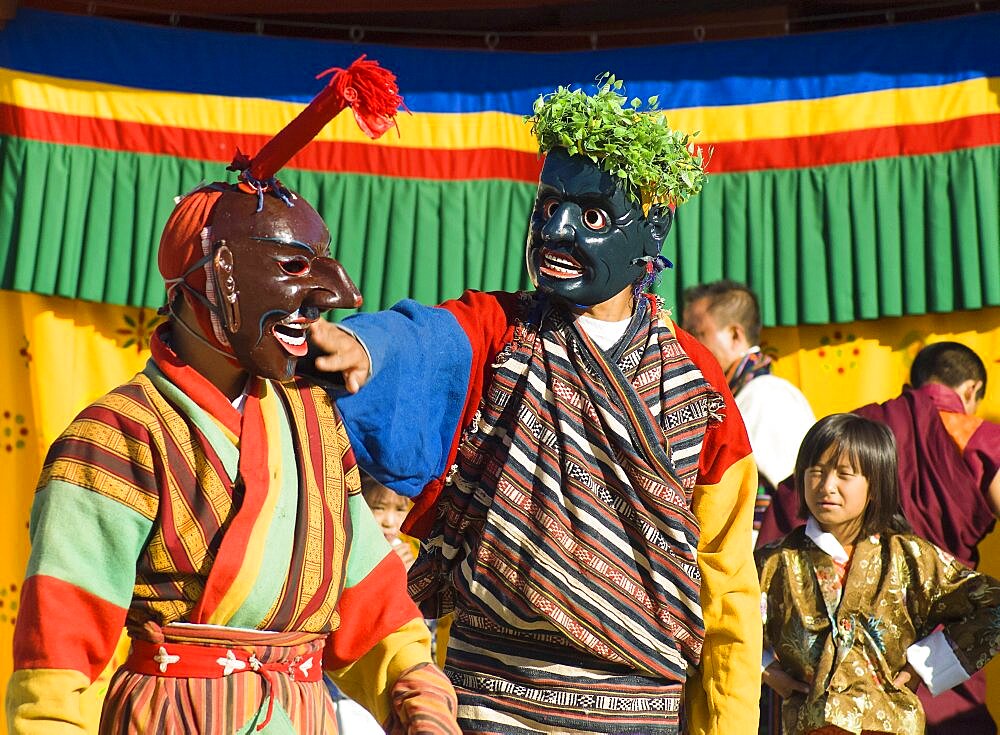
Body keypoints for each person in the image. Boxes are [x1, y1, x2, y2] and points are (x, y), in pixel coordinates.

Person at [5, 57, 460, 735]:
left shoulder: (314, 424)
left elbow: (377, 613)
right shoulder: (112, 440)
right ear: (215, 278)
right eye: (294, 268)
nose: (337, 297)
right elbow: (56, 671)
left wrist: (420, 700)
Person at [309, 75, 761, 734]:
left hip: (639, 714)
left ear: (652, 230)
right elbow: (423, 340)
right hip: (489, 704)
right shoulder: (498, 330)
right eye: (548, 206)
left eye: (591, 215)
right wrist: (362, 346)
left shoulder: (698, 385)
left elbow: (729, 585)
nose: (558, 229)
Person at [758, 340, 1000, 734]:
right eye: (816, 472)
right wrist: (768, 670)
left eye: (845, 474)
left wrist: (928, 663)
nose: (827, 486)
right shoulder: (777, 561)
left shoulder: (910, 557)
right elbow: (723, 615)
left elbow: (993, 606)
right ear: (971, 390)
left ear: (877, 483)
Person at [682, 280, 815, 532]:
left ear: (734, 334)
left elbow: (792, 499)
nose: (686, 346)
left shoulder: (767, 396)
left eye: (697, 334)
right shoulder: (738, 394)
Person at [362, 472, 418, 570]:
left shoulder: (411, 554)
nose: (389, 523)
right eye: (378, 508)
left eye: (400, 509)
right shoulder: (350, 555)